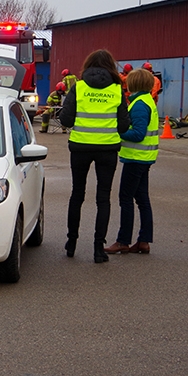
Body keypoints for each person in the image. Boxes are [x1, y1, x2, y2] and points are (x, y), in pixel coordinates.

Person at [58, 49, 130, 263]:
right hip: (107, 149)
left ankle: (71, 243)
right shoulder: (117, 90)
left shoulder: (78, 88)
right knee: (103, 198)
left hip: (80, 148)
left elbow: (66, 120)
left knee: (77, 195)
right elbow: (124, 125)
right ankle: (99, 249)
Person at [106, 68, 159, 256]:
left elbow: (138, 134)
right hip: (144, 158)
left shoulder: (138, 105)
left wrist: (116, 133)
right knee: (142, 199)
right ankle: (144, 240)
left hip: (136, 159)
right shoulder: (146, 101)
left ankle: (123, 241)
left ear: (133, 83)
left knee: (126, 199)